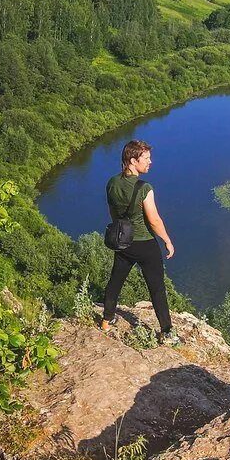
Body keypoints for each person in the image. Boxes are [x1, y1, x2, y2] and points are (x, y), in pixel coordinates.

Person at [101, 139, 180, 346]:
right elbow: (154, 220)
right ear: (133, 160)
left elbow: (113, 213)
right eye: (146, 158)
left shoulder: (112, 183)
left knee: (115, 281)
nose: (150, 162)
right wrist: (167, 240)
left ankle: (106, 321)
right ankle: (167, 331)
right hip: (145, 244)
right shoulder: (144, 188)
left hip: (123, 243)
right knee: (157, 288)